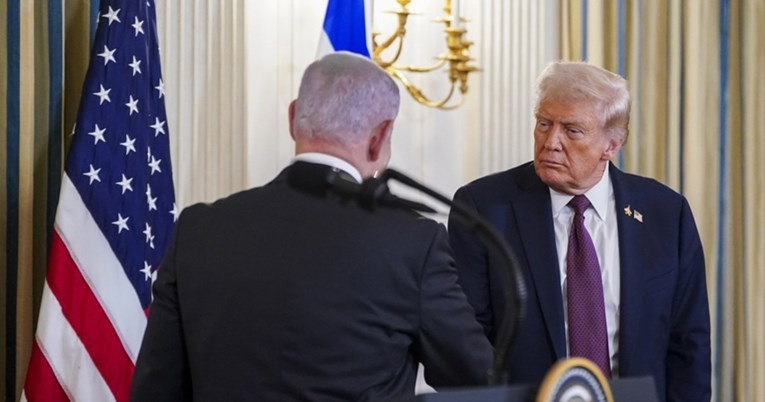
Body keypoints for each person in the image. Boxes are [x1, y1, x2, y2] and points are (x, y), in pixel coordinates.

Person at [130, 51, 492, 401]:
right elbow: (477, 377)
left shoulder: (198, 230)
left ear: (293, 119)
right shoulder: (413, 243)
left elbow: (156, 388)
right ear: (379, 137)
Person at [448, 61, 710, 401]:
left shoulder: (666, 213)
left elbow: (689, 346)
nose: (551, 142)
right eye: (544, 124)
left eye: (572, 131)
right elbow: (465, 342)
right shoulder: (484, 207)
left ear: (611, 145)